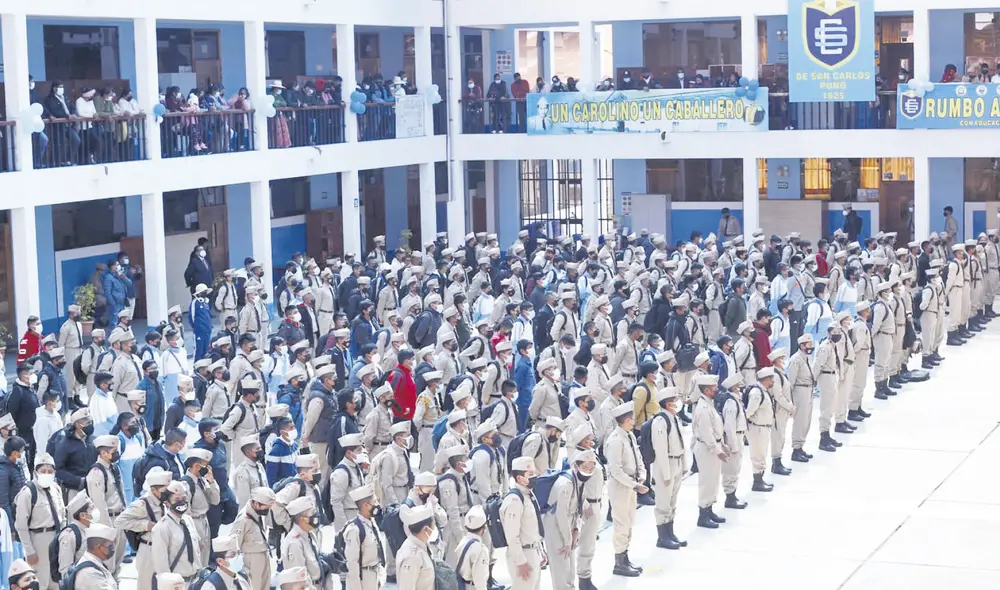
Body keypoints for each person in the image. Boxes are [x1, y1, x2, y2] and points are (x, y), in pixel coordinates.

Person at [603, 401, 645, 577]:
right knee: (621, 524)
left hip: (632, 485)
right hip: (621, 486)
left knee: (629, 522)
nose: (634, 421)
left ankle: (625, 557)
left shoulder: (629, 436)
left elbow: (638, 457)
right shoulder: (615, 441)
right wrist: (635, 484)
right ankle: (619, 562)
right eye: (631, 419)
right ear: (625, 420)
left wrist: (642, 474)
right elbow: (616, 470)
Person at [114, 469, 172, 590]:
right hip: (148, 549)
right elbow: (119, 521)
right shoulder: (142, 504)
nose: (167, 493)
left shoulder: (163, 501)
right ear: (153, 490)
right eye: (164, 491)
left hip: (163, 548)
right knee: (146, 585)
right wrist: (145, 525)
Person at [13, 453, 64, 590]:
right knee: (40, 581)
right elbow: (21, 526)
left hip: (56, 538)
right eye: (43, 471)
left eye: (50, 471)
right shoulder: (28, 493)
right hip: (38, 540)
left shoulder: (56, 489)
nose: (47, 474)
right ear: (35, 472)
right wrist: (29, 551)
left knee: (56, 581)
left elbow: (62, 517)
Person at [86, 434, 127, 575]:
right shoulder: (97, 473)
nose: (117, 454)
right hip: (109, 520)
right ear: (103, 453)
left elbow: (121, 494)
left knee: (118, 564)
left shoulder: (114, 469)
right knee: (107, 565)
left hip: (120, 518)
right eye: (113, 451)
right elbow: (99, 504)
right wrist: (108, 530)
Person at [501, 456, 544, 589]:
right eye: (530, 474)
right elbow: (512, 536)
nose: (534, 477)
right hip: (523, 554)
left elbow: (534, 528)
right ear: (520, 478)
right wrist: (521, 562)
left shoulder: (528, 494)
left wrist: (541, 551)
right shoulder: (515, 500)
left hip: (533, 551)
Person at [150, 480, 203, 583]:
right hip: (177, 583)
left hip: (195, 581)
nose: (181, 502)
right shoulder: (162, 528)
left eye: (183, 498)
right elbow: (161, 566)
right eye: (176, 499)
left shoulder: (188, 520)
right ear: (167, 502)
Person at [230, 486, 276, 590]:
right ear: (256, 504)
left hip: (263, 554)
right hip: (251, 560)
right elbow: (234, 543)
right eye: (266, 507)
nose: (267, 510)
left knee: (265, 585)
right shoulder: (243, 519)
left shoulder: (258, 513)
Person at [342, 484, 386, 590]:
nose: (378, 505)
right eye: (375, 502)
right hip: (363, 579)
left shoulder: (372, 523)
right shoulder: (355, 530)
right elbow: (352, 564)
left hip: (374, 576)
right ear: (366, 505)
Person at [787, 335, 817, 462]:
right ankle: (796, 449)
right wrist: (790, 400)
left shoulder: (806, 358)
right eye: (808, 345)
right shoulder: (796, 359)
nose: (810, 347)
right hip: (800, 391)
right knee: (800, 421)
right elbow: (791, 381)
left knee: (806, 421)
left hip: (808, 390)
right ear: (802, 345)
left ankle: (801, 446)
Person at [72, 523, 119, 590]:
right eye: (109, 546)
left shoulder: (95, 562)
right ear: (97, 546)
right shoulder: (90, 572)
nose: (112, 549)